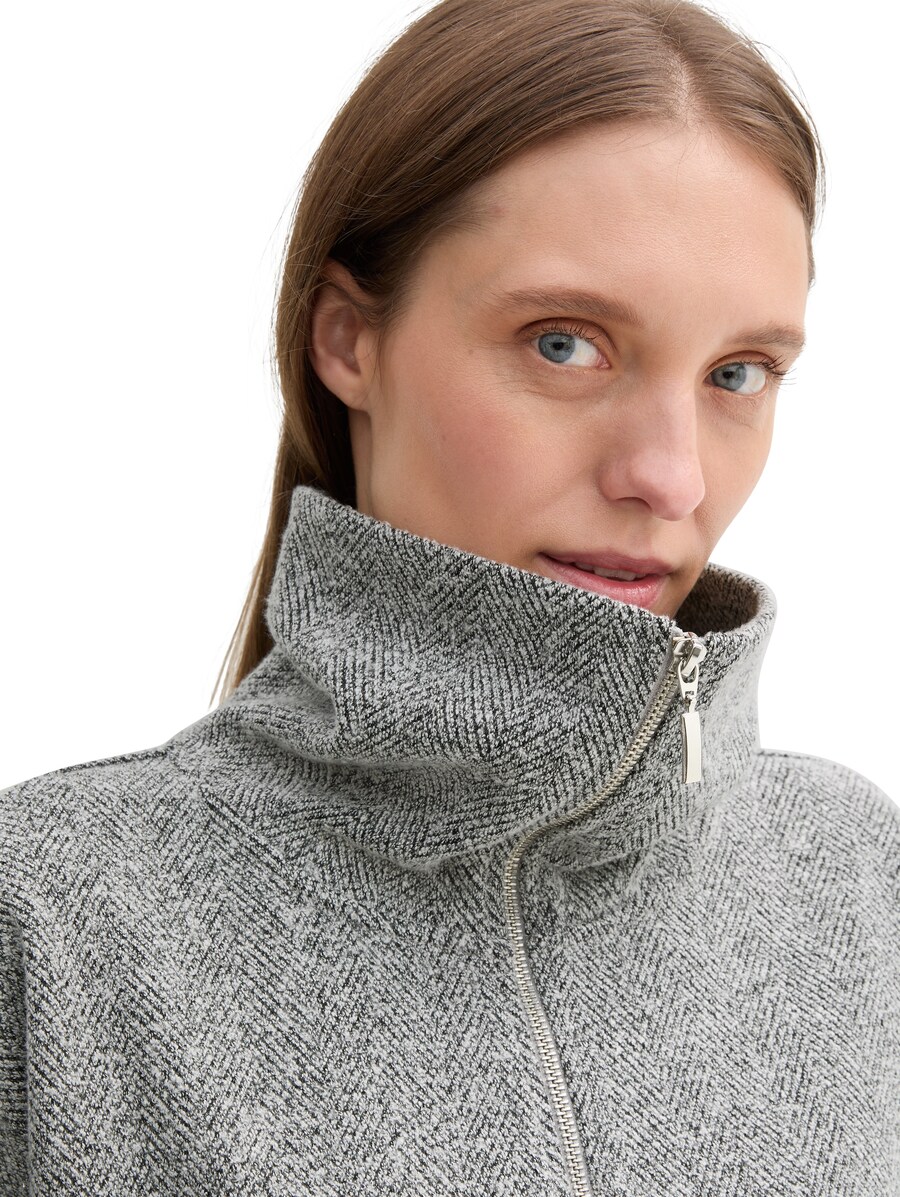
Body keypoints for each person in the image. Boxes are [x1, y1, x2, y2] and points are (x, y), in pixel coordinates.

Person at [1, 0, 897, 1193]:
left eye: (738, 373)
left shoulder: (852, 875)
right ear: (346, 340)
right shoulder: (54, 919)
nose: (672, 477)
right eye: (564, 344)